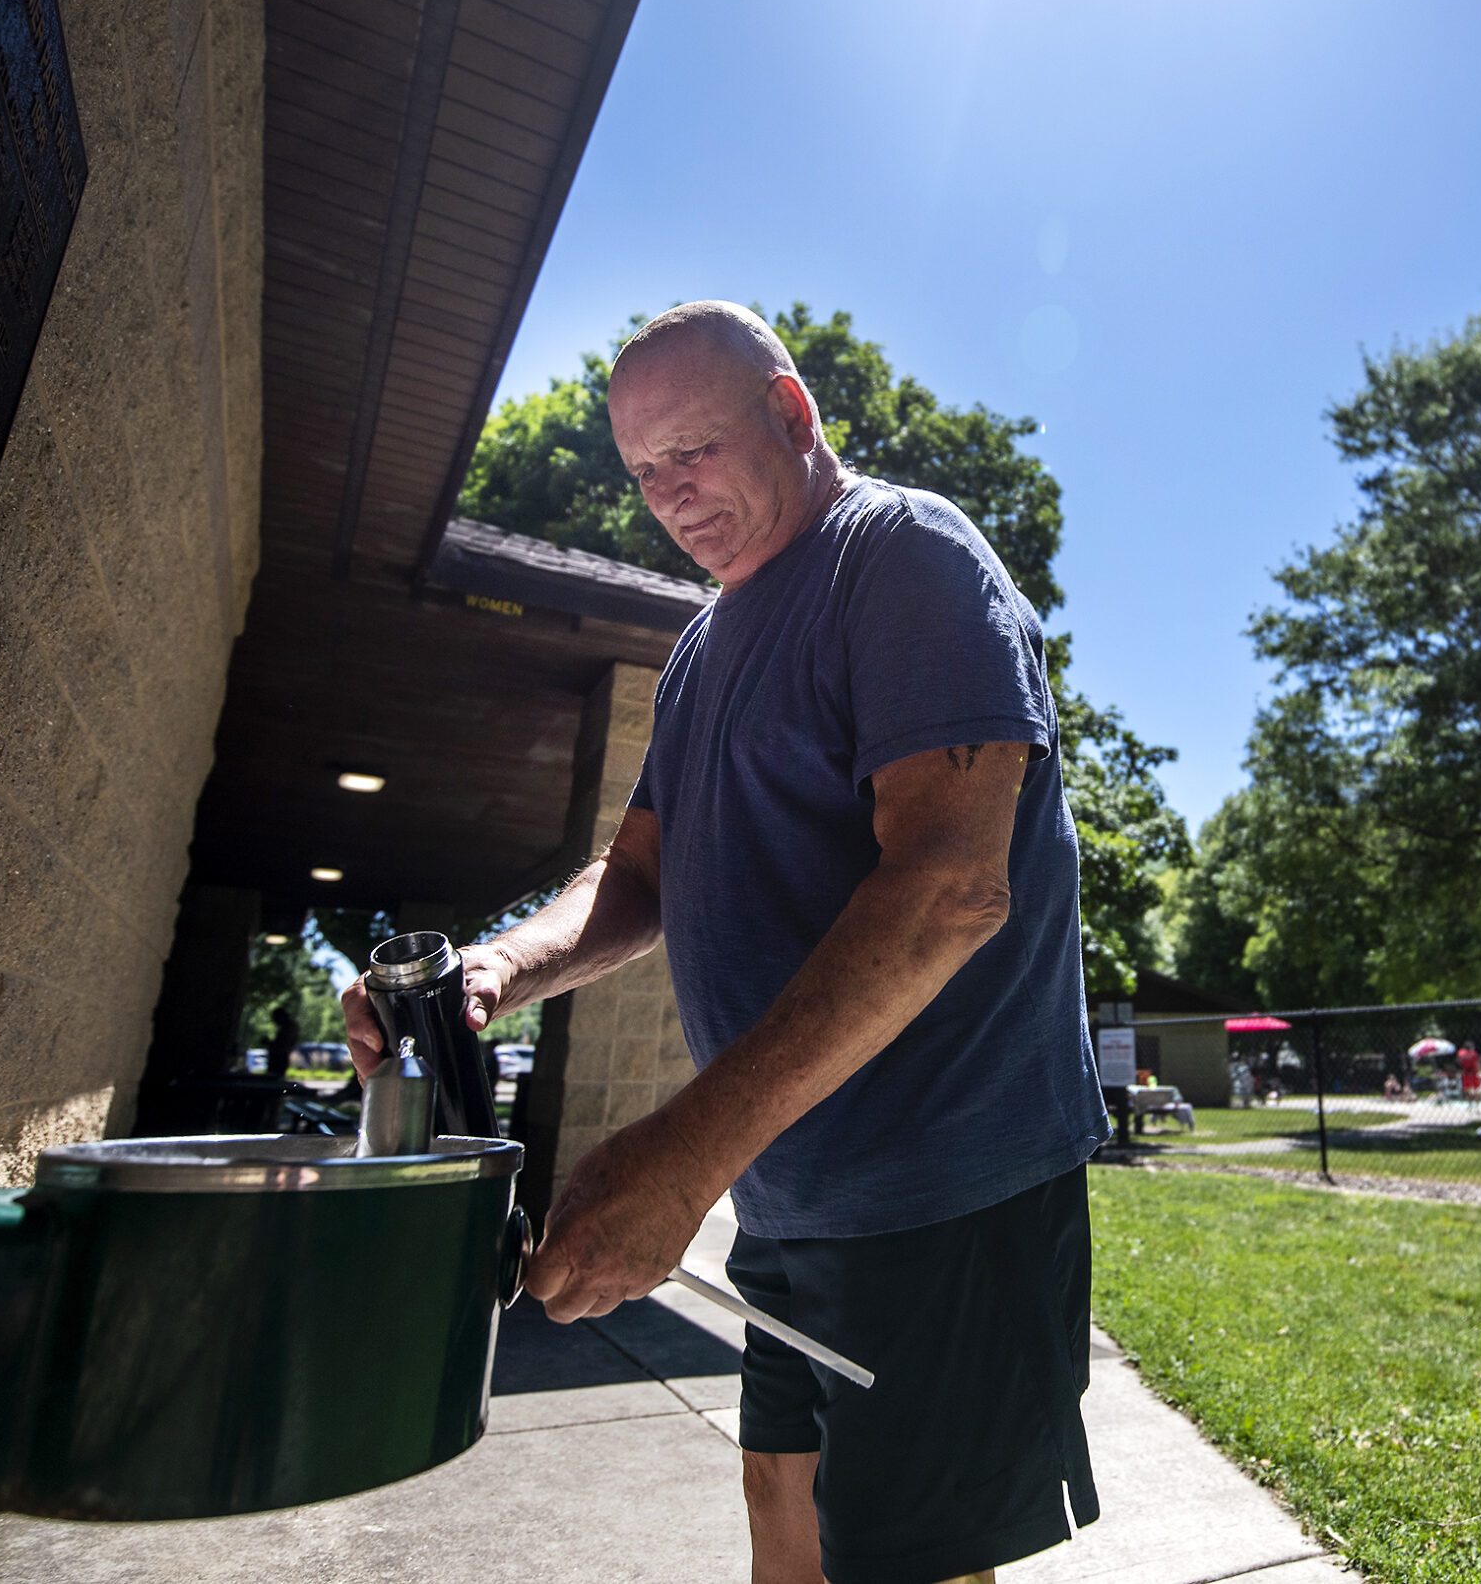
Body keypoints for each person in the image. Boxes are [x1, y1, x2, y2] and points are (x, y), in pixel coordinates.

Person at [344, 303, 1106, 1584]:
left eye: (693, 449)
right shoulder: (701, 648)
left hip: (946, 1187)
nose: (671, 494)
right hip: (790, 1189)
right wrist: (495, 971)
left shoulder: (903, 555)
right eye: (645, 472)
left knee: (904, 1563)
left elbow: (949, 889)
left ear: (792, 412)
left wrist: (677, 1159)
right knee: (785, 1539)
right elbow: (636, 873)